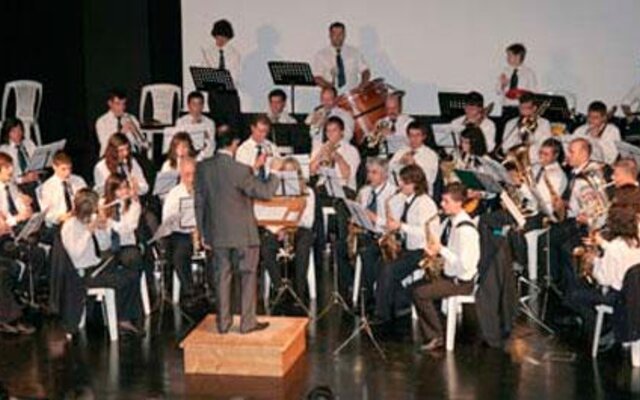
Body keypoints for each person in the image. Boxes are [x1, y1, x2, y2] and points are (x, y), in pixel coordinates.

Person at [194, 129, 280, 334]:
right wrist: (274, 172)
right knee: (248, 276)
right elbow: (265, 192)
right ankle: (247, 322)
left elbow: (199, 202)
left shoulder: (203, 167)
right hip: (244, 234)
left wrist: (203, 232)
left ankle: (223, 323)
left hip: (217, 233)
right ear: (234, 144)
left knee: (222, 277)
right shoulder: (241, 170)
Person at [61, 188, 142, 336]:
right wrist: (88, 232)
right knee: (125, 278)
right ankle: (122, 319)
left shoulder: (89, 220)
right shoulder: (70, 226)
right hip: (82, 274)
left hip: (97, 265)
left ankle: (123, 317)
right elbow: (76, 254)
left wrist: (103, 229)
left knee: (132, 272)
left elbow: (105, 246)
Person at [412, 182, 480, 351]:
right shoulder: (452, 222)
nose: (442, 204)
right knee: (415, 287)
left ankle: (436, 336)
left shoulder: (466, 230)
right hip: (451, 275)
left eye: (446, 201)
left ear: (459, 203)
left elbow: (465, 266)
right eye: (442, 200)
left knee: (420, 293)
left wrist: (441, 250)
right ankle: (435, 328)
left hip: (461, 282)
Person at [564, 206, 640, 340]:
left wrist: (593, 262)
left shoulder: (614, 248)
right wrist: (602, 246)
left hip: (619, 298)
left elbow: (604, 279)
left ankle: (597, 332)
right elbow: (620, 256)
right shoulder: (635, 242)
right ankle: (606, 326)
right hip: (634, 294)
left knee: (574, 296)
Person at [375, 165, 439, 323]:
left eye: (404, 182)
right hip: (410, 247)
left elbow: (425, 232)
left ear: (415, 183)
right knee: (380, 263)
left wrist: (401, 226)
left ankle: (383, 314)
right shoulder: (408, 200)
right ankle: (397, 303)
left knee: (390, 269)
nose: (400, 185)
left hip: (423, 251)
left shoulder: (425, 203)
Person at [260, 157, 315, 300]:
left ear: (298, 173)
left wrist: (289, 226)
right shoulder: (275, 190)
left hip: (299, 229)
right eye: (284, 171)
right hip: (279, 230)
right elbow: (269, 216)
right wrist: (279, 229)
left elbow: (308, 221)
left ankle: (299, 291)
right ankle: (278, 286)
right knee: (266, 245)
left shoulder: (308, 192)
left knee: (304, 244)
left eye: (292, 172)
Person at [354, 158, 397, 310]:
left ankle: (370, 297)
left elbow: (394, 224)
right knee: (342, 249)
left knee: (368, 252)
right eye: (369, 172)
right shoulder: (364, 192)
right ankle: (357, 292)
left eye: (374, 173)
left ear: (385, 175)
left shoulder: (393, 193)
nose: (370, 176)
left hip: (386, 236)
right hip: (367, 233)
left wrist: (375, 218)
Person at [163, 157, 199, 304]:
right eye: (187, 175)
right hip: (181, 233)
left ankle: (213, 291)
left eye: (194, 174)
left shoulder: (205, 189)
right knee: (180, 253)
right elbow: (167, 221)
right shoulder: (174, 194)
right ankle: (190, 291)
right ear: (181, 175)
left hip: (203, 231)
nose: (191, 179)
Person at [200, 19, 242, 130]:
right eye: (218, 36)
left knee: (232, 127)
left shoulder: (234, 54)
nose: (220, 40)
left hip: (229, 95)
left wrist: (220, 76)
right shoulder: (209, 52)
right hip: (214, 95)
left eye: (223, 37)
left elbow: (234, 77)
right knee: (217, 126)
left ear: (228, 37)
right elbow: (204, 74)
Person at [101, 174, 145, 275]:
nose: (124, 191)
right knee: (104, 264)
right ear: (111, 191)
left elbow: (127, 229)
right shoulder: (103, 204)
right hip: (107, 246)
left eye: (126, 187)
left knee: (133, 258)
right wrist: (99, 222)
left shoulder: (134, 205)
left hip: (126, 244)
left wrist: (109, 222)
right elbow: (101, 234)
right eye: (119, 189)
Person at [313, 22, 370, 92]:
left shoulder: (354, 52)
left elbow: (365, 71)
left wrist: (362, 85)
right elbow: (317, 77)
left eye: (340, 34)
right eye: (335, 34)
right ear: (330, 35)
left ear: (344, 35)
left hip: (352, 94)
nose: (338, 37)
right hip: (331, 96)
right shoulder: (321, 55)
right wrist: (330, 87)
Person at [309, 116, 361, 192]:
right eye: (328, 131)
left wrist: (338, 158)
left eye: (334, 130)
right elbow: (311, 171)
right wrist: (320, 155)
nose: (330, 134)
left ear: (342, 132)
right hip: (323, 186)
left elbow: (348, 176)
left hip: (344, 187)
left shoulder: (351, 150)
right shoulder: (320, 148)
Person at [40, 151, 88, 229]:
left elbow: (87, 200)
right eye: (63, 169)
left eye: (69, 168)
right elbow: (47, 215)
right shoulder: (47, 187)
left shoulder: (78, 180)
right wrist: (61, 217)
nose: (67, 173)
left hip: (78, 218)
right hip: (59, 224)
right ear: (54, 167)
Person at [389, 122, 439, 195]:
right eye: (411, 135)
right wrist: (400, 162)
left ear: (424, 137)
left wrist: (414, 164)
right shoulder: (401, 151)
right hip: (402, 191)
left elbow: (429, 179)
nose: (413, 139)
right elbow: (390, 171)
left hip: (420, 193)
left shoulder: (431, 155)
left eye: (417, 135)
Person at [501, 93, 551, 164]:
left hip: (535, 163)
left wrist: (525, 154)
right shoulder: (511, 123)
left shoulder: (544, 123)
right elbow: (505, 147)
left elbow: (544, 146)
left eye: (527, 108)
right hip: (514, 163)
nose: (523, 112)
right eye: (521, 108)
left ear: (534, 108)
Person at [95, 89, 143, 156]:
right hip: (110, 156)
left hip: (130, 155)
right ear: (110, 103)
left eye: (123, 104)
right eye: (118, 104)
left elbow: (142, 144)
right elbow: (106, 144)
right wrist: (121, 133)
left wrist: (135, 132)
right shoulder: (102, 121)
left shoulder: (131, 118)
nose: (121, 107)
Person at [572, 101, 621, 165]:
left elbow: (612, 157)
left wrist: (596, 139)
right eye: (589, 116)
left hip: (604, 166)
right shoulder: (580, 130)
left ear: (604, 118)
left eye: (595, 118)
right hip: (581, 164)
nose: (591, 120)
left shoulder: (612, 131)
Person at [496, 43, 538, 118]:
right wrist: (503, 85)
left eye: (509, 55)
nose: (507, 58)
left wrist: (524, 97)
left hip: (522, 109)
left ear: (518, 56)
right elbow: (498, 91)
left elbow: (533, 92)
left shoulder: (528, 73)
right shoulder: (505, 71)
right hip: (507, 107)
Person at [531, 138, 567, 217]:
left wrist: (521, 186)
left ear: (555, 156)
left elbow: (541, 198)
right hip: (530, 207)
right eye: (540, 152)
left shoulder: (557, 175)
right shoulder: (536, 167)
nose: (541, 156)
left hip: (542, 214)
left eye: (546, 154)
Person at [235, 115, 279, 180]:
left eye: (266, 131)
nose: (263, 134)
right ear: (252, 128)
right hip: (251, 184)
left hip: (270, 183)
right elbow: (241, 176)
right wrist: (257, 164)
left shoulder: (272, 147)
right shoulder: (243, 149)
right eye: (260, 131)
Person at [175, 91, 216, 157]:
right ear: (189, 106)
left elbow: (211, 147)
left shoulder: (209, 123)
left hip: (204, 158)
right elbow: (178, 145)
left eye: (199, 104)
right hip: (186, 157)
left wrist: (206, 140)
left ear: (203, 106)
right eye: (194, 104)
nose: (197, 107)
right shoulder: (181, 122)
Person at [0, 117, 38, 187]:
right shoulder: (3, 150)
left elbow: (38, 163)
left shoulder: (29, 143)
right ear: (7, 133)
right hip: (17, 184)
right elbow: (5, 177)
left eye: (19, 130)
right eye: (13, 131)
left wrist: (36, 172)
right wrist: (23, 179)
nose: (18, 133)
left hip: (34, 179)